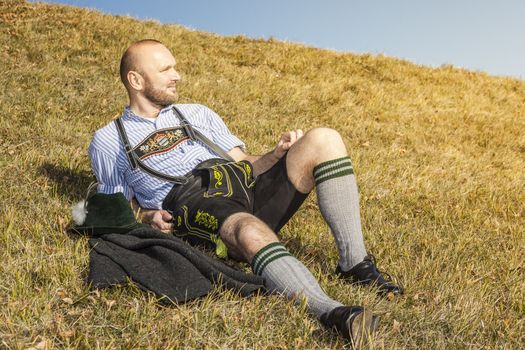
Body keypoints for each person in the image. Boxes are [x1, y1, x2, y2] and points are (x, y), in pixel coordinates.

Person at [89, 39, 402, 345]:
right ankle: (333, 313)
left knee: (324, 138)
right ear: (136, 79)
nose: (177, 75)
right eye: (165, 69)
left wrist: (276, 154)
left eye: (175, 67)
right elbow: (118, 207)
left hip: (240, 182)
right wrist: (148, 214)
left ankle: (354, 263)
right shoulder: (109, 140)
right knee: (248, 231)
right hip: (192, 201)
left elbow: (245, 163)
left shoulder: (197, 113)